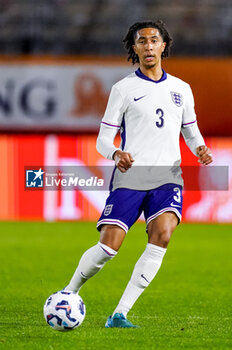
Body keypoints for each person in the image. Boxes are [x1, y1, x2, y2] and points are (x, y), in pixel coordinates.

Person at [64, 20, 213, 328]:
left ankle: (120, 314)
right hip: (131, 176)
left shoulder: (181, 89)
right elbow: (103, 139)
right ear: (134, 48)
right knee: (109, 246)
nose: (148, 45)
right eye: (141, 41)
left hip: (168, 175)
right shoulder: (123, 89)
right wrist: (116, 153)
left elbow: (191, 132)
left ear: (164, 46)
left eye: (153, 40)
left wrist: (200, 149)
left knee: (162, 235)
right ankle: (69, 292)